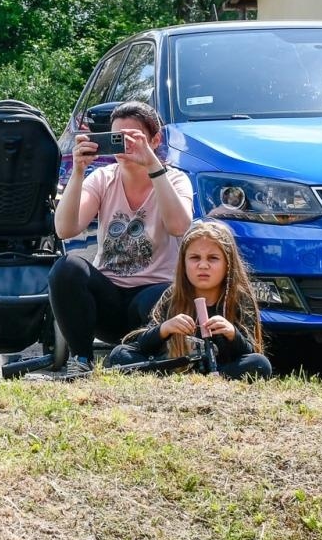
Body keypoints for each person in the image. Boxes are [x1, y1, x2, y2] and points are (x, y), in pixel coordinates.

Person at [50, 100, 194, 375]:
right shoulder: (102, 178)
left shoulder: (175, 180)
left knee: (162, 294)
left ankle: (147, 356)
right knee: (66, 268)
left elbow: (179, 226)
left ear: (155, 139)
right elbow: (65, 229)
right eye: (116, 138)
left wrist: (152, 166)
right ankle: (81, 359)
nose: (124, 146)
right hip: (109, 300)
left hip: (154, 300)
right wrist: (78, 172)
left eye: (132, 138)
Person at [104, 219, 273, 381]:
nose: (203, 265)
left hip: (223, 369)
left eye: (213, 258)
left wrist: (232, 334)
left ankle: (212, 381)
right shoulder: (173, 296)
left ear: (228, 264)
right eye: (195, 258)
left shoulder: (238, 297)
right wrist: (164, 329)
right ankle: (174, 381)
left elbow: (251, 351)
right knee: (120, 354)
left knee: (260, 364)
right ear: (183, 264)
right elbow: (141, 346)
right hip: (176, 368)